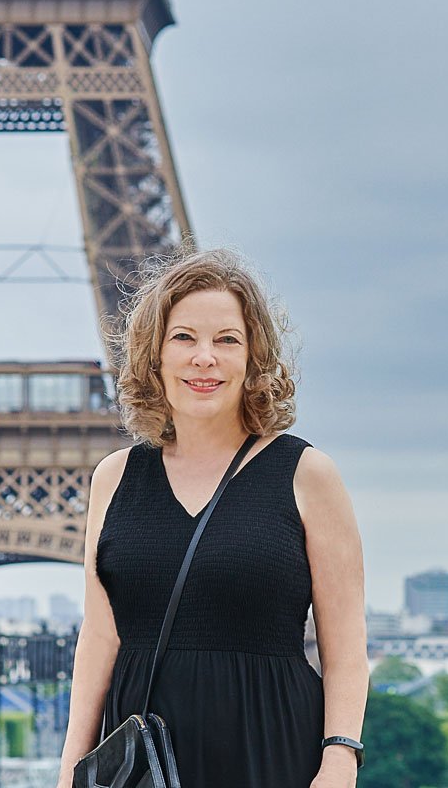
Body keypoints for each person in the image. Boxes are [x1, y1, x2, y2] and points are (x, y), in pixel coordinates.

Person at [56, 247, 368, 788]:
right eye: (184, 338)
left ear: (253, 359)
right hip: (141, 759)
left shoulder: (307, 474)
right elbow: (101, 638)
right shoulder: (112, 478)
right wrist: (70, 769)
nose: (205, 357)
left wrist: (340, 757)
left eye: (227, 340)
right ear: (153, 355)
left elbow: (346, 644)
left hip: (270, 749)